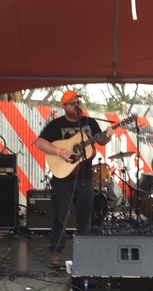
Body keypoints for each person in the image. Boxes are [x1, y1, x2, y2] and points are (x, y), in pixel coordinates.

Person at [36, 90, 113, 265]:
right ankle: (56, 251)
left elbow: (101, 141)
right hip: (62, 178)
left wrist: (108, 137)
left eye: (78, 102)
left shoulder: (90, 123)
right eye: (72, 103)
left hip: (85, 177)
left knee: (85, 215)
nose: (76, 105)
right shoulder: (57, 124)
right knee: (60, 215)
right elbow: (40, 142)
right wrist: (58, 151)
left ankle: (83, 251)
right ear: (64, 106)